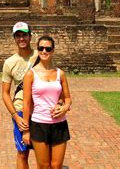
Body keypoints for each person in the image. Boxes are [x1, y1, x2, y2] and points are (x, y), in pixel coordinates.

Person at [22, 35, 72, 169]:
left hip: (59, 124)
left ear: (53, 51)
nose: (44, 51)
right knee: (43, 166)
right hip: (39, 124)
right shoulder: (30, 74)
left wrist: (65, 107)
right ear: (38, 50)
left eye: (48, 48)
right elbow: (26, 104)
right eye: (41, 48)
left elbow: (67, 98)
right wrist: (26, 131)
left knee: (56, 166)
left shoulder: (60, 73)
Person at [2, 21, 39, 169]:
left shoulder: (40, 55)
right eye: (18, 36)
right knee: (22, 152)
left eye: (24, 35)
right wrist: (15, 116)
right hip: (20, 110)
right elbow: (4, 93)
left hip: (40, 110)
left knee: (42, 152)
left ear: (30, 37)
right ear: (14, 38)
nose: (21, 39)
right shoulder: (9, 62)